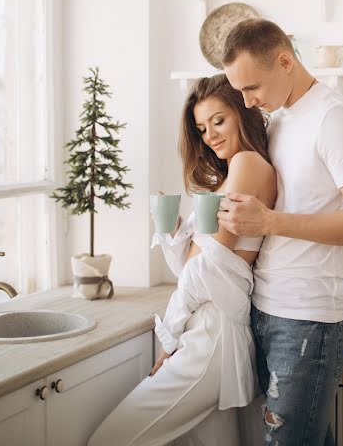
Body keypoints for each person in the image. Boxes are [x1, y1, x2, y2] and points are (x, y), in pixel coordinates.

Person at [219, 19, 343, 446]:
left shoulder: (335, 118)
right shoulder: (278, 120)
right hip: (267, 308)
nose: (246, 100)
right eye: (238, 91)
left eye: (251, 87)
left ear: (284, 61)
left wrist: (271, 221)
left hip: (310, 319)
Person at [88, 74, 276, 446]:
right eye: (202, 128)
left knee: (109, 441)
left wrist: (170, 338)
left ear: (242, 112)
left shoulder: (248, 164)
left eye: (218, 121)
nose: (210, 136)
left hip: (210, 333)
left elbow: (206, 266)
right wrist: (175, 236)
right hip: (208, 326)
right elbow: (195, 268)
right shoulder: (232, 175)